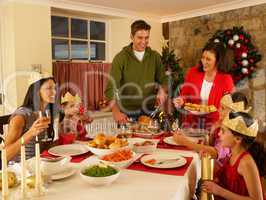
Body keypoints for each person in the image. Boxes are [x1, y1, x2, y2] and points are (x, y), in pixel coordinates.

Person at [105, 20, 168, 123]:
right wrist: (116, 112)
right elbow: (110, 88)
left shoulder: (154, 56)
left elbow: (164, 80)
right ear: (131, 36)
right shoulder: (121, 58)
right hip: (127, 114)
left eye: (146, 38)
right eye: (140, 37)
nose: (144, 42)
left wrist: (162, 90)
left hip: (150, 112)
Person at [201, 111, 265, 200]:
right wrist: (207, 159)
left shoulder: (246, 162)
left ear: (238, 139)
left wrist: (220, 191)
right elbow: (225, 178)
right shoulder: (232, 154)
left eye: (223, 131)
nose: (219, 134)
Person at [173, 92, 250, 163]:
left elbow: (215, 153)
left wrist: (184, 142)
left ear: (234, 113)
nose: (219, 110)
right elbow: (212, 145)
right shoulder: (222, 126)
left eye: (222, 108)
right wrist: (213, 131)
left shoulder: (233, 132)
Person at [173, 42, 234, 130]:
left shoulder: (226, 80)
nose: (204, 61)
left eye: (208, 59)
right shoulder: (193, 72)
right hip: (191, 126)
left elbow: (227, 109)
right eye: (203, 57)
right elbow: (184, 96)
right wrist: (180, 101)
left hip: (214, 128)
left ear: (218, 61)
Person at [5, 77, 59, 161]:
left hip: (39, 162)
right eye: (49, 88)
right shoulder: (21, 116)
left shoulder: (45, 113)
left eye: (55, 88)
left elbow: (41, 145)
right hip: (20, 167)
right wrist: (30, 133)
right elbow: (5, 155)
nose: (54, 92)